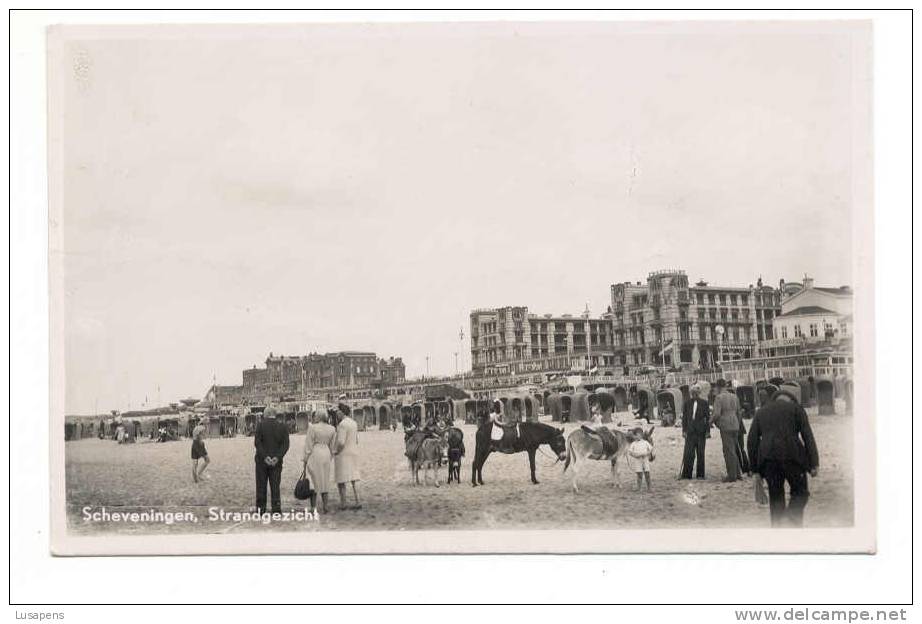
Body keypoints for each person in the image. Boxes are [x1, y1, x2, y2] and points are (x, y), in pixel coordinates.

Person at [747, 389, 819, 527]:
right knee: (801, 493)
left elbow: (752, 441)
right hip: (793, 458)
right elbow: (807, 436)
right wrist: (814, 463)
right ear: (791, 399)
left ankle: (778, 527)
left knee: (775, 496)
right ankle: (791, 521)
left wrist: (755, 469)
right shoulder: (796, 409)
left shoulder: (761, 411)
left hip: (769, 460)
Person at [254, 406, 290, 515]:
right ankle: (276, 509)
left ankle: (261, 509)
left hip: (262, 461)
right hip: (276, 461)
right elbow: (286, 445)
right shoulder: (282, 426)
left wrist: (265, 457)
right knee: (275, 486)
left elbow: (257, 443)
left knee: (261, 485)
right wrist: (277, 457)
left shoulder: (260, 425)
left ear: (266, 414)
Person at [302, 410, 335, 515]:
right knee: (325, 479)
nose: (314, 417)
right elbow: (333, 447)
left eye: (315, 416)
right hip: (326, 453)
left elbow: (309, 444)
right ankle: (326, 505)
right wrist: (330, 456)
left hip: (315, 453)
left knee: (313, 480)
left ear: (318, 417)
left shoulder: (312, 427)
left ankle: (313, 507)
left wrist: (305, 458)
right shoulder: (332, 428)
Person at [710, 379, 741, 482]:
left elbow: (717, 414)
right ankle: (737, 473)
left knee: (728, 451)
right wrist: (738, 423)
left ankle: (731, 475)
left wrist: (710, 422)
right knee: (734, 450)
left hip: (725, 425)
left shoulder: (719, 398)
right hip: (735, 424)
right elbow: (738, 413)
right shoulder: (734, 396)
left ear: (718, 387)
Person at [334, 405, 361, 510]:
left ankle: (343, 503)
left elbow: (341, 442)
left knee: (341, 480)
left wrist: (336, 451)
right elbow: (357, 439)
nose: (336, 413)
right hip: (353, 452)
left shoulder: (342, 425)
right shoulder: (354, 423)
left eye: (338, 411)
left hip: (343, 455)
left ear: (342, 412)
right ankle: (358, 500)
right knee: (354, 478)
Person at [680, 385, 710, 479]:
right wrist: (684, 430)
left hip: (701, 431)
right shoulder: (687, 403)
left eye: (696, 393)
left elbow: (708, 418)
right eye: (693, 393)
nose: (694, 394)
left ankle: (700, 475)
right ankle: (686, 474)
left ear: (699, 393)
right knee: (689, 453)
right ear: (691, 393)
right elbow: (684, 418)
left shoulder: (704, 403)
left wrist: (708, 431)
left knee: (701, 453)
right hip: (690, 431)